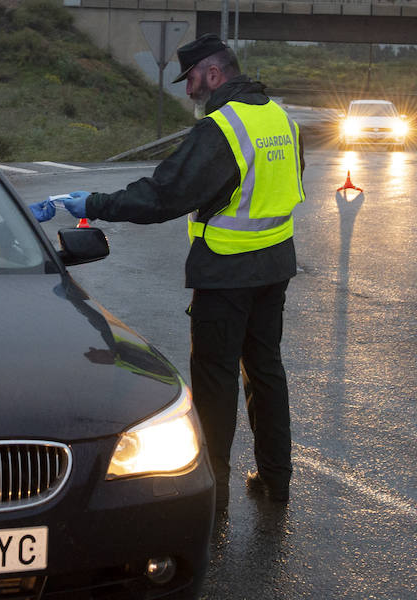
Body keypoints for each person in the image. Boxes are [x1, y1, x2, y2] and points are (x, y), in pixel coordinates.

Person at [32, 33, 303, 505]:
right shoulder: (280, 119)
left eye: (193, 78)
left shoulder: (222, 128)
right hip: (274, 265)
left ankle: (213, 490)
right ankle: (276, 479)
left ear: (215, 74)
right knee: (265, 372)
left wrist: (93, 203)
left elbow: (163, 197)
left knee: (216, 380)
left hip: (226, 270)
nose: (189, 90)